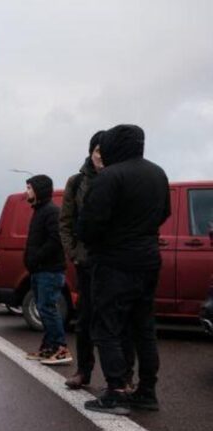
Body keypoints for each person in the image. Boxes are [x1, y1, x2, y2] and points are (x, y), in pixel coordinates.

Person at [78, 124, 170, 415]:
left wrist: (97, 240)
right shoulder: (158, 173)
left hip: (115, 262)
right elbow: (165, 212)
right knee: (143, 327)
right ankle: (146, 391)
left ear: (115, 144)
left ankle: (115, 391)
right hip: (148, 259)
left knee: (107, 326)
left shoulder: (109, 177)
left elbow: (89, 226)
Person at [60, 132, 137, 390]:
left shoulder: (120, 179)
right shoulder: (76, 182)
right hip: (88, 263)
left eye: (105, 154)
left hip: (116, 262)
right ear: (91, 152)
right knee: (85, 320)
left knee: (120, 320)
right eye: (97, 153)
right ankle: (83, 371)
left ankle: (124, 376)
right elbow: (66, 222)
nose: (101, 158)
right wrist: (74, 253)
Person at [23, 175, 72, 365]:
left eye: (29, 188)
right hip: (39, 271)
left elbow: (55, 240)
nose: (27, 191)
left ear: (39, 190)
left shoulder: (51, 212)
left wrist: (36, 258)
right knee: (43, 309)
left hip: (49, 271)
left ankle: (61, 349)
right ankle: (48, 348)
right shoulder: (39, 211)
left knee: (47, 308)